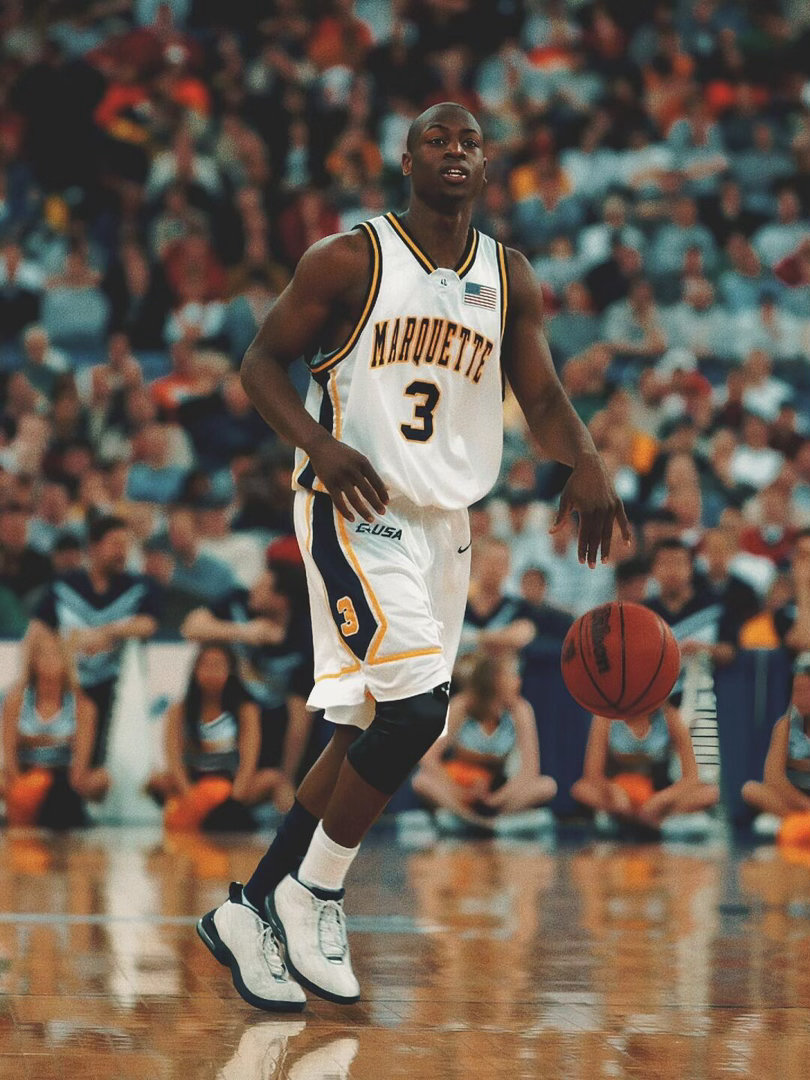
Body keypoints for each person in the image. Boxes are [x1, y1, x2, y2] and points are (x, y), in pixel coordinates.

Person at [197, 102, 628, 1012]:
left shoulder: (508, 276)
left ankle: (246, 909)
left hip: (446, 527)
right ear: (406, 159)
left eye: (470, 140)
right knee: (417, 711)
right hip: (356, 505)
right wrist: (319, 445)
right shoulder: (348, 259)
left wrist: (587, 457)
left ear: (488, 163)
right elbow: (260, 364)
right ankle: (311, 892)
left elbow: (543, 396)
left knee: (366, 727)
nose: (455, 150)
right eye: (437, 138)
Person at [27, 515, 161, 767]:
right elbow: (37, 631)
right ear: (94, 547)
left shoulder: (138, 587)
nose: (122, 552)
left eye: (126, 545)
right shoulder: (64, 586)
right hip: (67, 688)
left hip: (113, 688)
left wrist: (107, 632)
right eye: (115, 544)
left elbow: (148, 624)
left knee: (106, 761)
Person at [148, 643, 288, 830]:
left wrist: (233, 800)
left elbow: (248, 759)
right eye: (205, 665)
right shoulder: (179, 710)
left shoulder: (246, 709)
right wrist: (191, 795)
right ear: (195, 670)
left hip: (232, 782)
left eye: (218, 666)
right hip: (194, 783)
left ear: (231, 671)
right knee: (156, 781)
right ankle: (185, 815)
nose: (211, 672)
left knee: (274, 779)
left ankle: (292, 831)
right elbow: (173, 758)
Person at [411, 653, 556, 830]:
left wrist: (496, 799)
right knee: (421, 782)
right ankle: (472, 821)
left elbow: (530, 770)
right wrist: (461, 792)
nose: (518, 681)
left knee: (547, 786)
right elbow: (428, 759)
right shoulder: (461, 705)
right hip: (461, 785)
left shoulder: (521, 709)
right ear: (493, 679)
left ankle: (488, 822)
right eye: (512, 675)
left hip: (498, 788)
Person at [0, 632, 109, 828]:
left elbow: (80, 766)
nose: (49, 661)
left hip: (62, 776)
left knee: (100, 779)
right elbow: (10, 759)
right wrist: (22, 788)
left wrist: (35, 741)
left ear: (66, 661)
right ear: (33, 660)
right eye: (43, 654)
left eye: (56, 654)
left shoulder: (83, 706)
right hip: (25, 774)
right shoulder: (15, 701)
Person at [570, 700, 719, 830]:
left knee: (710, 794)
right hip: (621, 796)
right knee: (581, 790)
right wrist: (613, 791)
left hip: (657, 794)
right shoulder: (605, 717)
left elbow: (691, 778)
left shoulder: (670, 715)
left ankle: (637, 820)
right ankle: (649, 821)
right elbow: (593, 775)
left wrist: (662, 800)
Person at [742, 653, 810, 825]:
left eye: (806, 691)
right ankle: (800, 823)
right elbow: (773, 778)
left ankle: (799, 823)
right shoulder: (784, 726)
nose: (800, 698)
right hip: (795, 800)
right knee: (751, 790)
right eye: (797, 691)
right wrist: (805, 804)